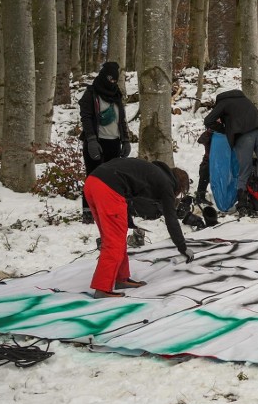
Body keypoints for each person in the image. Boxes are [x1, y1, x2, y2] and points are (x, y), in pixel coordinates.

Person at [83, 157, 194, 298]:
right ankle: (102, 288)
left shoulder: (155, 173)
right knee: (114, 242)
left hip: (93, 182)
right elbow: (171, 220)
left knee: (114, 237)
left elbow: (134, 198)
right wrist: (182, 247)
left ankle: (120, 278)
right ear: (178, 186)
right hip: (109, 188)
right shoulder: (166, 184)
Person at [203, 89, 258, 215]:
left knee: (244, 171)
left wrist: (225, 130)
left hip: (245, 135)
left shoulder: (223, 102)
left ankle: (243, 205)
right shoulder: (244, 99)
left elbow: (208, 121)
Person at [78, 61, 131, 224]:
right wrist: (92, 140)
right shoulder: (91, 94)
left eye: (115, 80)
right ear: (103, 76)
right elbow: (86, 117)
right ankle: (88, 212)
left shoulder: (116, 95)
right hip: (96, 143)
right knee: (93, 178)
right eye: (110, 79)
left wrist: (126, 140)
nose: (112, 82)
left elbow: (121, 119)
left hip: (113, 143)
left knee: (112, 179)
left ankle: (108, 209)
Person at [193, 121, 225, 205]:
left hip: (222, 161)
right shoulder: (209, 134)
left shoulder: (224, 133)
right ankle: (200, 196)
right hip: (209, 160)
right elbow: (200, 140)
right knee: (205, 171)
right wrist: (209, 133)